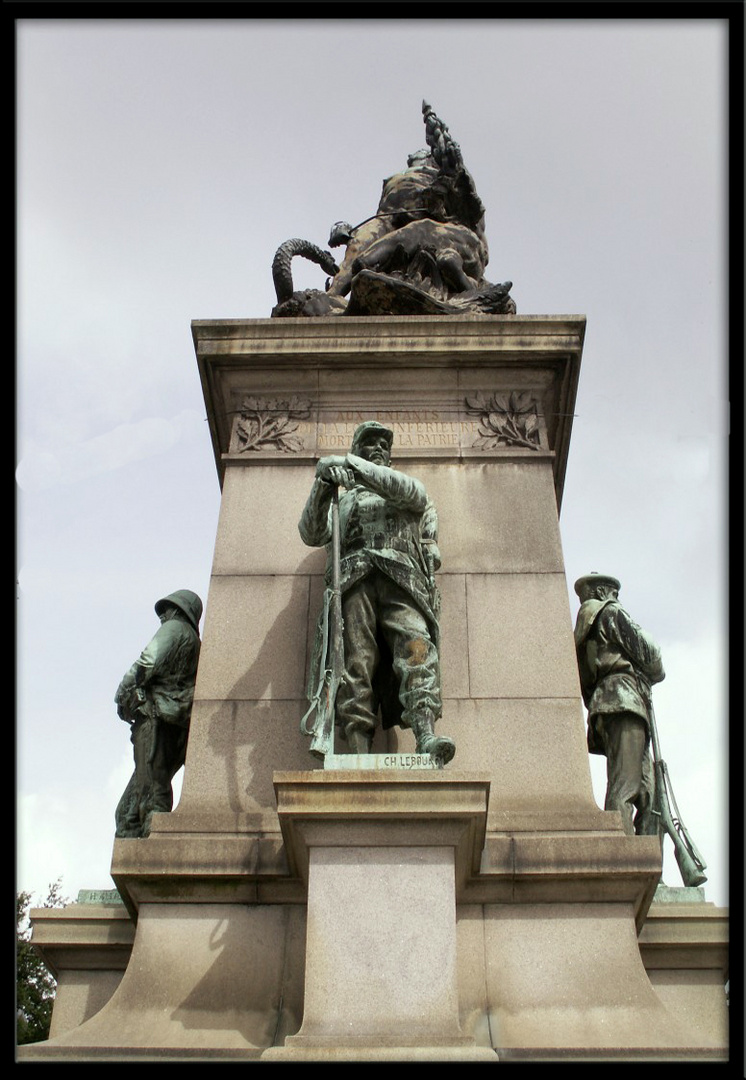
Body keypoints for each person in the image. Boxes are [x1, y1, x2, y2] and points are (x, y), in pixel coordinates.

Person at [299, 421, 455, 765]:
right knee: (355, 664)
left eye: (384, 445)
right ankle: (357, 749)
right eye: (370, 443)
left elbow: (412, 493)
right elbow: (311, 532)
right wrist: (323, 484)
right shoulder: (343, 501)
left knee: (417, 650)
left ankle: (425, 734)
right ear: (358, 448)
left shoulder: (404, 488)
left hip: (402, 580)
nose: (379, 448)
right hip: (354, 580)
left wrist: (350, 465)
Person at [573, 572, 664, 837]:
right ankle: (621, 857)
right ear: (603, 593)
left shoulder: (584, 630)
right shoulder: (610, 613)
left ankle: (646, 865)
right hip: (624, 701)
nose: (616, 600)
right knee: (627, 787)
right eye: (614, 594)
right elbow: (655, 661)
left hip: (607, 704)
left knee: (650, 795)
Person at [114, 590, 203, 838]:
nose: (163, 616)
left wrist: (123, 692)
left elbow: (148, 660)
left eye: (167, 609)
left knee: (150, 795)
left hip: (156, 717)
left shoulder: (176, 628)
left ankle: (151, 847)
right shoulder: (195, 643)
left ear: (178, 611)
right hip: (171, 722)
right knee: (130, 809)